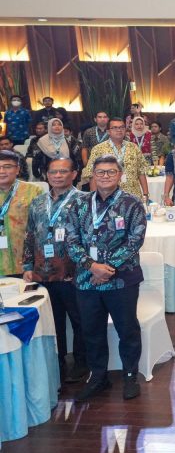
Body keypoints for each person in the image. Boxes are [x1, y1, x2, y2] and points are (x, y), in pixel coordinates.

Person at [64, 154, 147, 401]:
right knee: (91, 331)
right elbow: (70, 239)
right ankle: (98, 377)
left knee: (127, 329)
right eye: (100, 172)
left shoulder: (132, 203)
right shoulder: (79, 203)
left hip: (122, 280)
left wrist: (106, 268)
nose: (105, 176)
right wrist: (92, 266)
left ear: (120, 175)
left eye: (111, 172)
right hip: (87, 280)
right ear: (93, 175)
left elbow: (135, 240)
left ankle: (130, 376)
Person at [22, 156, 88, 382]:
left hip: (74, 272)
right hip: (43, 272)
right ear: (46, 175)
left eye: (63, 171)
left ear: (74, 174)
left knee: (79, 319)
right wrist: (27, 265)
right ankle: (57, 361)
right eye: (53, 172)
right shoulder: (38, 203)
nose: (58, 176)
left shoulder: (84, 201)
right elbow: (30, 235)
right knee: (53, 320)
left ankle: (81, 362)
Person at [81, 119, 149, 203]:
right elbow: (92, 175)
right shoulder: (98, 149)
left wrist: (145, 194)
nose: (119, 130)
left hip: (133, 196)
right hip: (108, 196)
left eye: (122, 127)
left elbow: (141, 172)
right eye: (115, 128)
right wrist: (95, 199)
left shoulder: (134, 147)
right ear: (108, 131)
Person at [0, 149, 44, 276]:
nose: (2, 171)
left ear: (17, 169)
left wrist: (33, 264)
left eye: (7, 167)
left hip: (25, 265)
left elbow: (41, 230)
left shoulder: (34, 191)